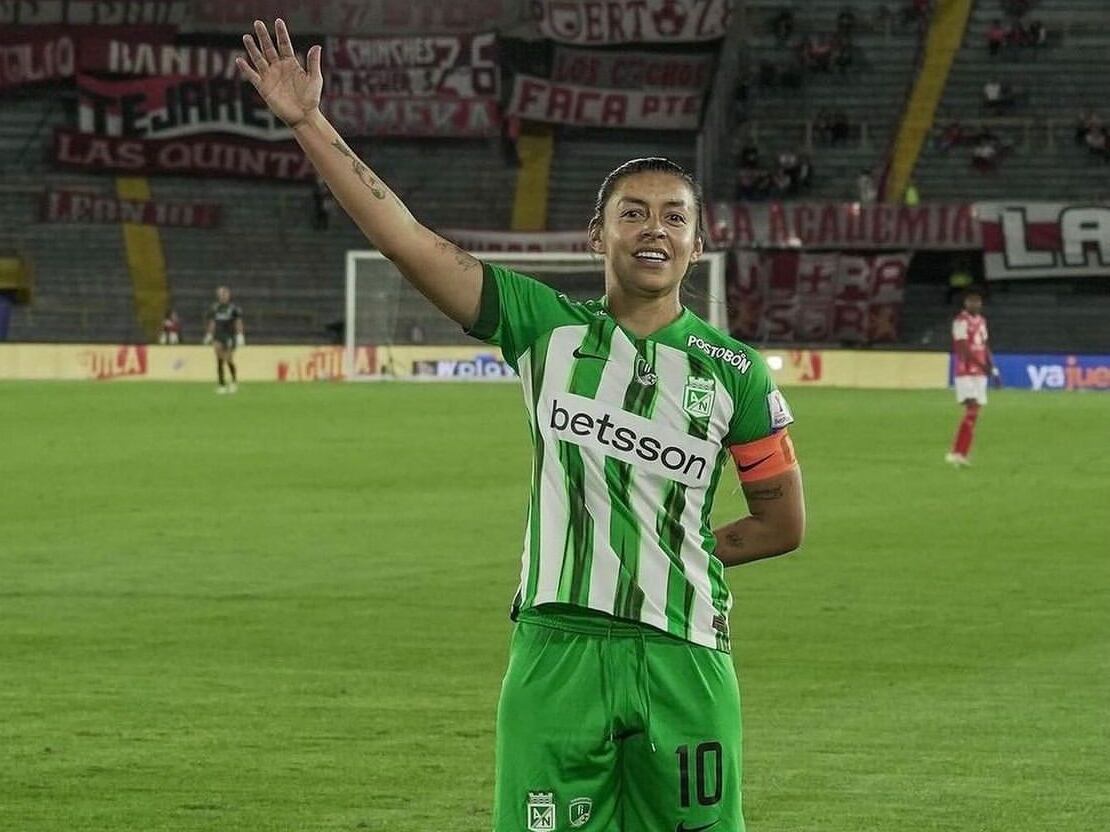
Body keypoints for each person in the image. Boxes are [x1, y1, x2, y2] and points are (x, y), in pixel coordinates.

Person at [238, 19, 806, 832]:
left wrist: (671, 553)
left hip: (686, 651)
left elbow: (783, 524)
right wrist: (308, 123)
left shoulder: (737, 372)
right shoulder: (544, 327)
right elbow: (408, 242)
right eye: (633, 213)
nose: (654, 228)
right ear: (598, 234)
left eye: (673, 216)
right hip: (555, 649)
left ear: (697, 240)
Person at [947, 289, 999, 467]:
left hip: (980, 373)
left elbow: (984, 345)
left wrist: (993, 368)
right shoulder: (960, 321)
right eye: (972, 302)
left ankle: (959, 453)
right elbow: (962, 347)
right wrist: (981, 365)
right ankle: (958, 453)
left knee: (974, 413)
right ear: (966, 304)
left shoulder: (982, 321)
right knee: (971, 410)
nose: (975, 305)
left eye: (978, 302)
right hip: (966, 372)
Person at [203, 286, 245, 394]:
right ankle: (221, 384)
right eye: (221, 294)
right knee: (219, 359)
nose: (223, 296)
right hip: (218, 335)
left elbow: (238, 322)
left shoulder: (234, 308)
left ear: (228, 295)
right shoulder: (215, 308)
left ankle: (234, 381)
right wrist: (209, 334)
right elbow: (212, 322)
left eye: (225, 294)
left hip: (230, 335)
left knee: (229, 359)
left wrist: (240, 335)